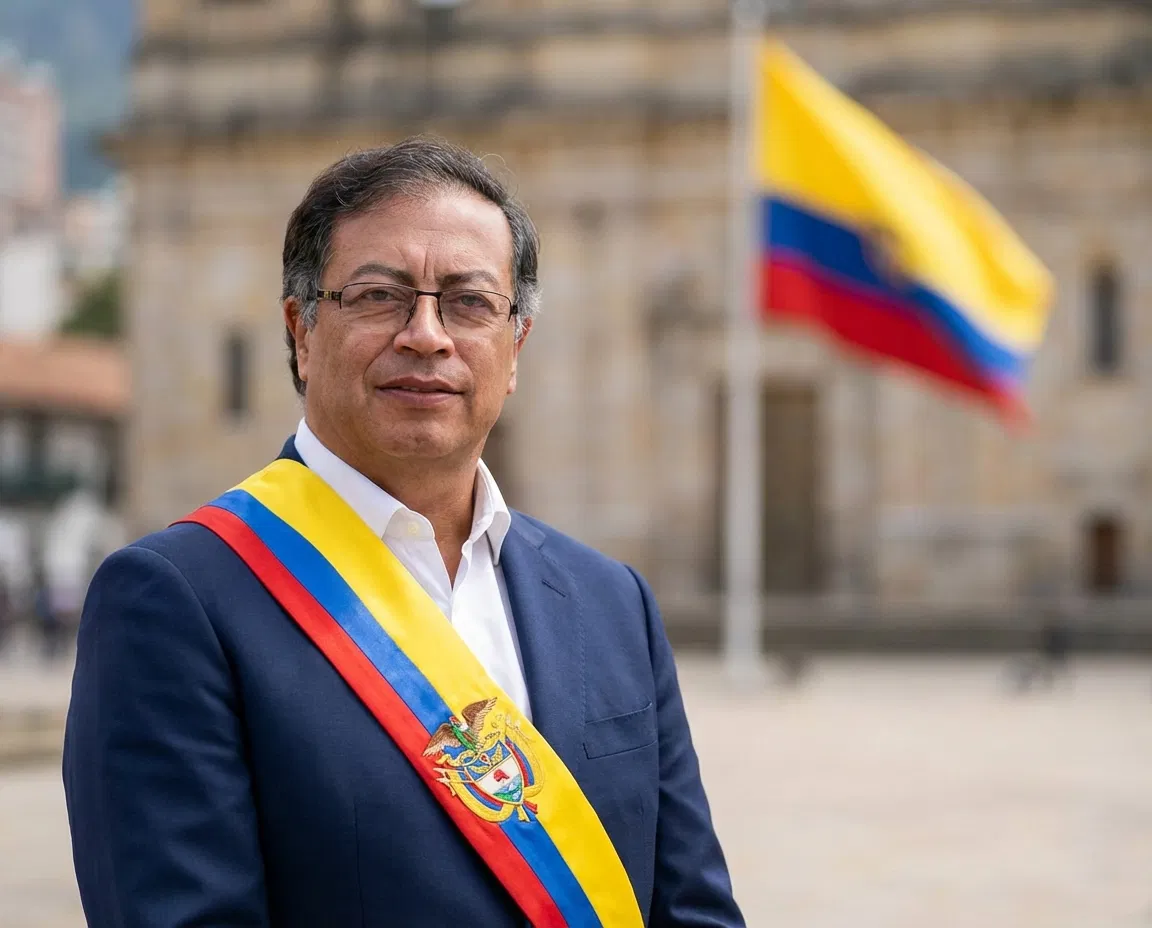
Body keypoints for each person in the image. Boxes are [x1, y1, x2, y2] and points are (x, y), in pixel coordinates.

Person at [64, 137, 744, 927]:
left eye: (470, 302)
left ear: (515, 347)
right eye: (379, 296)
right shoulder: (176, 602)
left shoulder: (612, 602)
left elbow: (694, 909)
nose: (426, 334)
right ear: (300, 331)